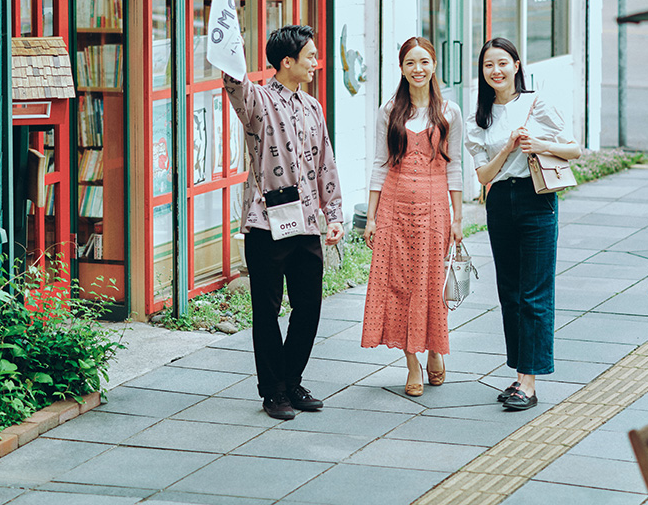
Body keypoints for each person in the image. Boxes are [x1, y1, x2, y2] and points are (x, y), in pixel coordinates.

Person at [224, 24, 344, 421]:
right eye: (310, 56)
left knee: (309, 307)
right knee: (267, 309)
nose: (316, 62)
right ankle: (272, 390)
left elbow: (325, 161)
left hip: (308, 221)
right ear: (286, 62)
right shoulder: (258, 100)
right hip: (266, 223)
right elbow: (235, 84)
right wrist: (231, 45)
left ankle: (292, 379)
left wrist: (334, 213)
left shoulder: (313, 106)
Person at [464, 37, 579, 411]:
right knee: (509, 292)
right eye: (488, 66)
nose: (496, 71)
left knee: (534, 292)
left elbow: (573, 149)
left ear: (516, 65)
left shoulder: (535, 102)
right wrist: (506, 149)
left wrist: (540, 145)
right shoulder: (478, 117)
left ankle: (528, 382)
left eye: (502, 63)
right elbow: (483, 176)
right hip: (500, 202)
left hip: (536, 199)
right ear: (482, 73)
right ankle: (518, 375)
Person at [361, 38, 464, 396]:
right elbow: (379, 163)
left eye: (423, 62)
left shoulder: (450, 112)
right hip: (395, 204)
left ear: (434, 65)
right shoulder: (389, 110)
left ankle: (435, 347)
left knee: (433, 284)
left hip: (435, 207)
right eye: (410, 63)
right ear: (402, 69)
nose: (417, 69)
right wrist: (371, 217)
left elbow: (456, 167)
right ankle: (412, 362)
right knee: (400, 285)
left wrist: (458, 218)